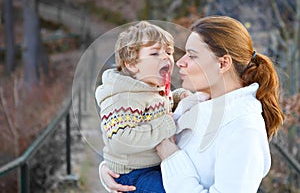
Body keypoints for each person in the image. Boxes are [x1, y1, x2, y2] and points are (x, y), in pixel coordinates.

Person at [99, 15, 284, 193]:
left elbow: (169, 157)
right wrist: (111, 170)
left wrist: (172, 158)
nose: (179, 62)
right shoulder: (194, 103)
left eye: (192, 55)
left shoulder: (244, 130)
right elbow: (137, 141)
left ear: (222, 64)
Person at [95, 21, 180, 193]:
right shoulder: (123, 97)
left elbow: (159, 110)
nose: (166, 57)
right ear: (132, 64)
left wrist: (179, 98)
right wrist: (165, 125)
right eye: (155, 53)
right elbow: (121, 140)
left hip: (153, 165)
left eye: (169, 52)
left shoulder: (151, 89)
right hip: (134, 173)